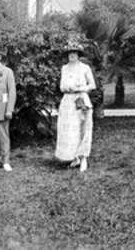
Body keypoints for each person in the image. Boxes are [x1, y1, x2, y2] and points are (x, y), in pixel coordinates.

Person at [55, 44, 96, 172]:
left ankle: (83, 158)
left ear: (78, 55)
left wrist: (80, 88)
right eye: (70, 53)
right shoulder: (64, 68)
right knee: (70, 131)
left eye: (74, 53)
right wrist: (66, 88)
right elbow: (61, 86)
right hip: (68, 101)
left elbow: (92, 85)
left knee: (83, 128)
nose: (72, 55)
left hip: (81, 99)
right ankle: (75, 157)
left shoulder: (85, 68)